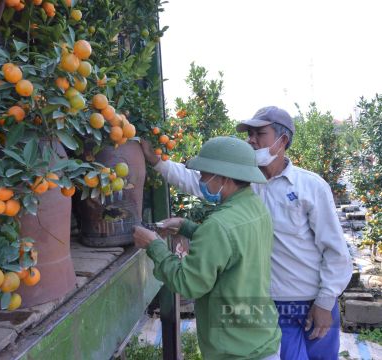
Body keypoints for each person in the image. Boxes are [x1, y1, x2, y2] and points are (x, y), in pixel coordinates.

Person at [141, 106, 352, 359]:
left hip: (310, 300)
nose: (250, 140)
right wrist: (157, 162)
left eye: (258, 133)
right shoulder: (244, 184)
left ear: (282, 140)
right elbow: (197, 180)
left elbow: (335, 250)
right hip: (269, 303)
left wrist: (325, 302)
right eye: (248, 134)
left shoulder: (310, 187)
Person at [134, 136, 281, 359]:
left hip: (235, 350)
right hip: (260, 338)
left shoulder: (219, 226)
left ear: (224, 178)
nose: (201, 180)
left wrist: (154, 246)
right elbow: (233, 245)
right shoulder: (255, 208)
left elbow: (187, 284)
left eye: (204, 174)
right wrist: (187, 226)